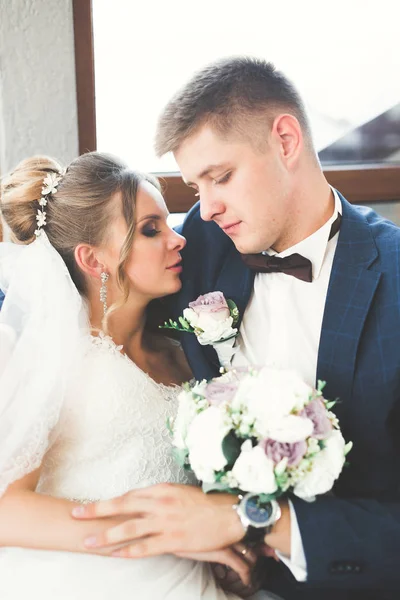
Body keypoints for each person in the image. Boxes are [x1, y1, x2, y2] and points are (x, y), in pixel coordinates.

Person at [75, 58, 400, 600]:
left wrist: (256, 521)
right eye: (196, 185)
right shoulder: (195, 245)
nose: (206, 208)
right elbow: (79, 286)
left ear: (286, 140)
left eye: (221, 176)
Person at [0, 152, 276, 600]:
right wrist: (162, 533)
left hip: (190, 580)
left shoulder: (185, 352)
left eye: (168, 223)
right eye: (151, 230)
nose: (177, 239)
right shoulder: (55, 357)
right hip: (87, 580)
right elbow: (6, 510)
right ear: (93, 260)